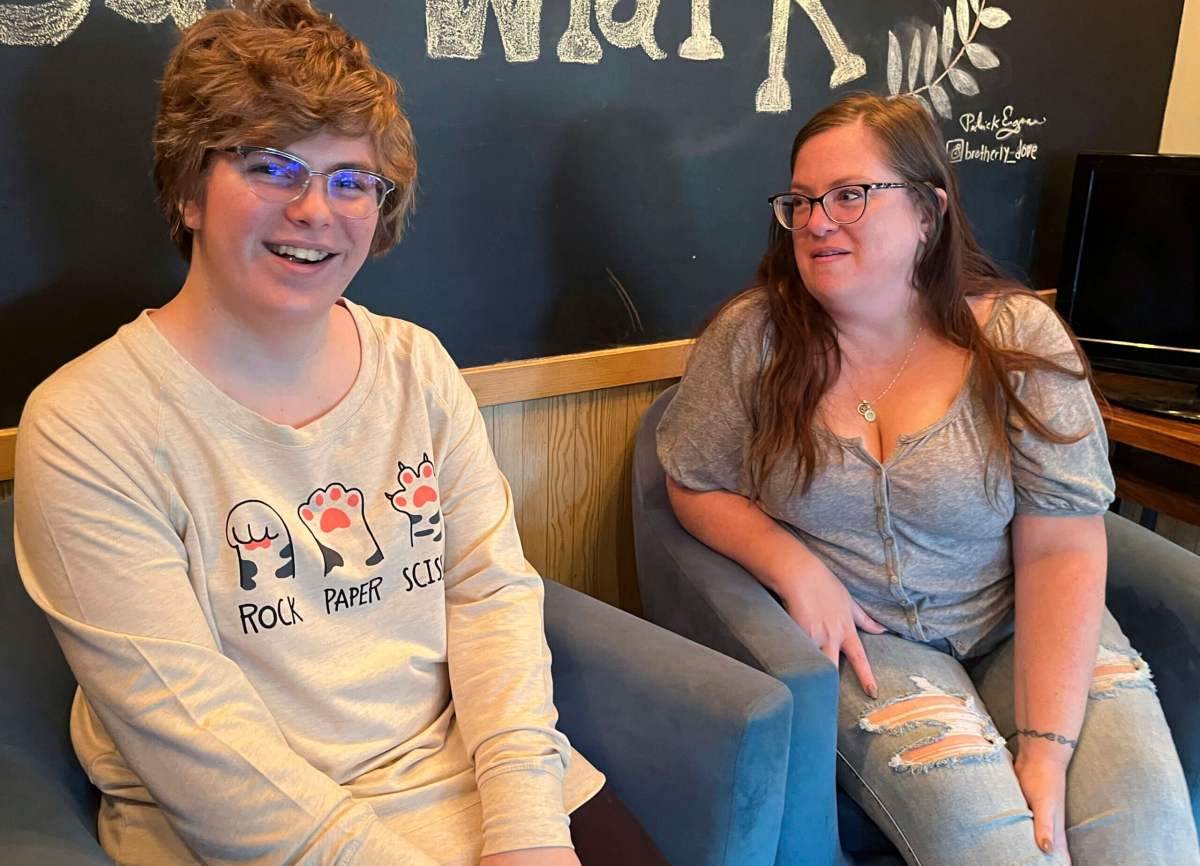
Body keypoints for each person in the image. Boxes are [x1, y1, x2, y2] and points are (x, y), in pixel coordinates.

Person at [13, 2, 668, 864]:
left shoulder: (417, 367)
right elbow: (198, 745)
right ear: (187, 190)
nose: (317, 209)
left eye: (351, 178)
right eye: (272, 165)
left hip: (468, 786)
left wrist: (526, 832)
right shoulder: (89, 422)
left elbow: (488, 595)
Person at [656, 91, 1199, 866]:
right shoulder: (753, 339)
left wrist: (1045, 748)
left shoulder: (1017, 342)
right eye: (802, 200)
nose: (816, 221)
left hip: (1024, 624)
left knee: (1148, 844)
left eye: (850, 195)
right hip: (875, 645)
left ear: (926, 210)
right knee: (1007, 856)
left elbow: (1062, 548)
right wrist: (793, 566)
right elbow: (693, 480)